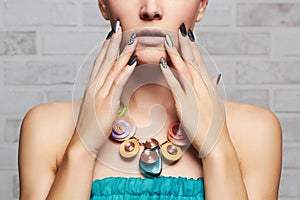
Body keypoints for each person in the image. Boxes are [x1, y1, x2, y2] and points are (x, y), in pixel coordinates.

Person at [18, 0, 282, 199]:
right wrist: (82, 148)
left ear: (201, 5)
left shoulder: (256, 130)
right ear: (103, 4)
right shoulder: (46, 127)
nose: (151, 9)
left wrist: (217, 149)